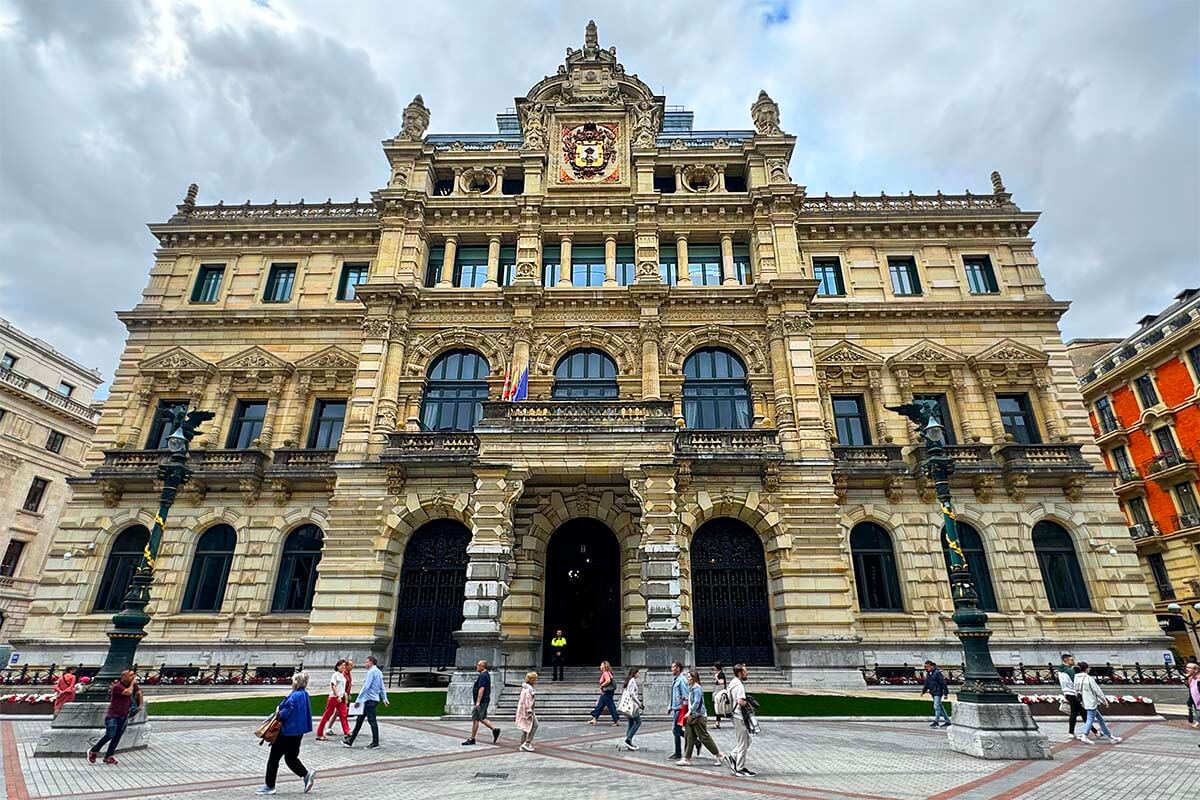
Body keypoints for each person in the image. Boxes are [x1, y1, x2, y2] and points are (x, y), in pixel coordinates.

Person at [256, 671, 316, 795]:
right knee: (291, 758)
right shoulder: (304, 694)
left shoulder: (293, 696)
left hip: (286, 732)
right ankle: (306, 775)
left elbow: (284, 714)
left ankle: (270, 786)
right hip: (298, 732)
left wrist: (279, 711)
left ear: (297, 682)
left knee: (274, 759)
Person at [87, 670, 138, 765]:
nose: (133, 677)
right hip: (113, 716)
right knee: (110, 734)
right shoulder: (117, 686)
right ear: (123, 677)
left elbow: (138, 693)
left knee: (117, 737)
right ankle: (93, 751)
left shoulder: (129, 686)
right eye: (130, 675)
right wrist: (132, 684)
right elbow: (128, 692)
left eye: (133, 675)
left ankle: (109, 756)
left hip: (124, 716)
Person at [678, 670, 726, 767]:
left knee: (704, 737)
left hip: (698, 716)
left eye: (689, 677)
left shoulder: (697, 688)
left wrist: (689, 712)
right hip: (693, 716)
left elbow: (697, 702)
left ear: (693, 678)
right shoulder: (692, 688)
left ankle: (719, 754)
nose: (687, 679)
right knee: (689, 736)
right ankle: (686, 758)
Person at [344, 655, 389, 749]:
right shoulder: (379, 672)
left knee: (371, 721)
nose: (365, 663)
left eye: (367, 662)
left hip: (369, 700)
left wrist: (358, 700)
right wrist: (384, 698)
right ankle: (350, 741)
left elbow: (366, 687)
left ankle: (375, 743)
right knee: (359, 720)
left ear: (371, 662)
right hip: (373, 700)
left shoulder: (371, 672)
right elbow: (382, 687)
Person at [1073, 661, 1122, 745]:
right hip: (1091, 702)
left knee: (1100, 720)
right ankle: (1084, 735)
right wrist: (1104, 701)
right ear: (1087, 669)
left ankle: (1110, 736)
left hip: (1084, 702)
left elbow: (1075, 690)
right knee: (1090, 719)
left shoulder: (1076, 678)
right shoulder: (1088, 678)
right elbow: (1098, 691)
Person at [725, 663, 756, 777]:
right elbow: (740, 701)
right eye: (744, 671)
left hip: (734, 715)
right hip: (739, 716)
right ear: (739, 673)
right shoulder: (739, 686)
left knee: (747, 740)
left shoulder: (732, 683)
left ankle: (733, 756)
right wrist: (748, 703)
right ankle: (739, 768)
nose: (746, 673)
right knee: (743, 743)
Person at [463, 660, 501, 745]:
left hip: (481, 701)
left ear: (482, 666)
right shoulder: (485, 674)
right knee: (482, 718)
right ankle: (494, 729)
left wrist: (478, 702)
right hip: (485, 700)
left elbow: (481, 688)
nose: (477, 666)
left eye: (478, 665)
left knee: (475, 719)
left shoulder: (483, 676)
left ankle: (472, 738)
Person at [315, 659, 350, 741]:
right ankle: (319, 733)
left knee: (343, 715)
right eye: (341, 665)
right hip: (334, 697)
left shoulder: (343, 676)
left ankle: (347, 732)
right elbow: (333, 685)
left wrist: (344, 695)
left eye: (344, 665)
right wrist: (337, 695)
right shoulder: (335, 675)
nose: (343, 667)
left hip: (341, 698)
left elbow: (342, 687)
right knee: (327, 715)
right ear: (337, 666)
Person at [618, 667, 643, 750]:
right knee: (638, 722)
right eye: (638, 673)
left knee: (631, 722)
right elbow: (632, 694)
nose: (639, 674)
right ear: (635, 673)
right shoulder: (632, 680)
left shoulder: (629, 680)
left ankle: (629, 741)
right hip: (632, 705)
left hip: (630, 705)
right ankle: (628, 739)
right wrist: (639, 703)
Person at [667, 661, 688, 760]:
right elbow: (674, 695)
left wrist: (684, 710)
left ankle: (678, 753)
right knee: (677, 730)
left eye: (673, 667)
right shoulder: (676, 680)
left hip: (680, 709)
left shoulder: (682, 680)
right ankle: (696, 741)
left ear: (678, 668)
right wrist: (670, 706)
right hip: (676, 708)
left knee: (676, 731)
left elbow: (685, 696)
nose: (671, 669)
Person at [920, 660, 951, 728]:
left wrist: (946, 693)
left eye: (927, 666)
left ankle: (936, 722)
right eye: (925, 667)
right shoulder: (929, 673)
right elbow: (927, 683)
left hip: (938, 692)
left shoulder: (937, 673)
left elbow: (943, 683)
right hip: (933, 692)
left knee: (936, 706)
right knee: (940, 708)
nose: (926, 668)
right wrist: (923, 691)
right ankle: (947, 721)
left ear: (932, 666)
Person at [588, 660, 619, 725]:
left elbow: (608, 680)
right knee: (600, 705)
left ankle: (616, 720)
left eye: (601, 665)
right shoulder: (609, 672)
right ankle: (594, 718)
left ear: (605, 666)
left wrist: (602, 685)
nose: (600, 666)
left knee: (610, 706)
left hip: (606, 692)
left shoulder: (605, 673)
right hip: (607, 692)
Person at [516, 671, 538, 752]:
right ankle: (527, 743)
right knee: (535, 725)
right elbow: (527, 702)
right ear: (531, 680)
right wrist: (529, 711)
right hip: (528, 711)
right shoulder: (528, 690)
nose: (536, 681)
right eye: (535, 679)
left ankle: (523, 744)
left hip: (524, 711)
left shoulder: (526, 688)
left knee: (525, 727)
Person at [712, 663, 728, 729]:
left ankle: (717, 723)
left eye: (714, 666)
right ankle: (717, 722)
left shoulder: (721, 674)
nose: (713, 667)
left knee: (718, 708)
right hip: (717, 693)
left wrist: (716, 678)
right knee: (717, 708)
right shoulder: (719, 673)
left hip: (719, 694)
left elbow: (721, 682)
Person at [1184, 657, 1198, 730]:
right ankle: (1191, 713)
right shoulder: (1190, 675)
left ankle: (1191, 712)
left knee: (1192, 703)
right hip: (1193, 693)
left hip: (1195, 693)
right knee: (1192, 703)